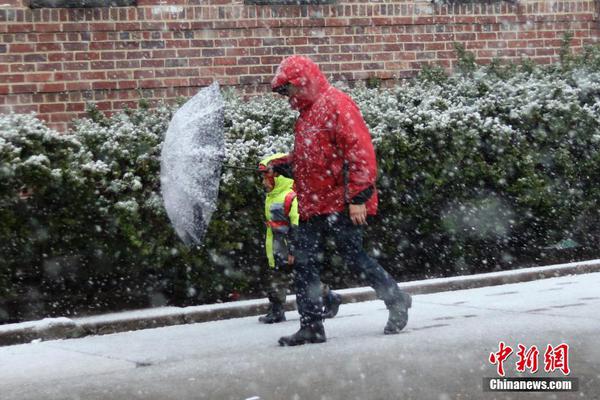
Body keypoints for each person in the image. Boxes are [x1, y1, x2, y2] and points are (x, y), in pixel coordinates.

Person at [269, 56, 412, 346]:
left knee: (353, 257)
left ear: (302, 83)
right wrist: (284, 165)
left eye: (289, 90)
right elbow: (310, 158)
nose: (288, 98)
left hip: (340, 202)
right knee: (304, 264)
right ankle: (311, 326)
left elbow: (359, 153)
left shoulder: (338, 105)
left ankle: (395, 298)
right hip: (312, 203)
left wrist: (358, 197)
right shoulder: (306, 115)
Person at [258, 153, 342, 324]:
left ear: (277, 177)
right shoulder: (272, 196)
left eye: (265, 177)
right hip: (275, 246)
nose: (263, 182)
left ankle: (329, 296)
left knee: (302, 278)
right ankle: (276, 310)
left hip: (288, 246)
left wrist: (293, 249)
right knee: (275, 277)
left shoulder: (291, 196)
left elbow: (296, 224)